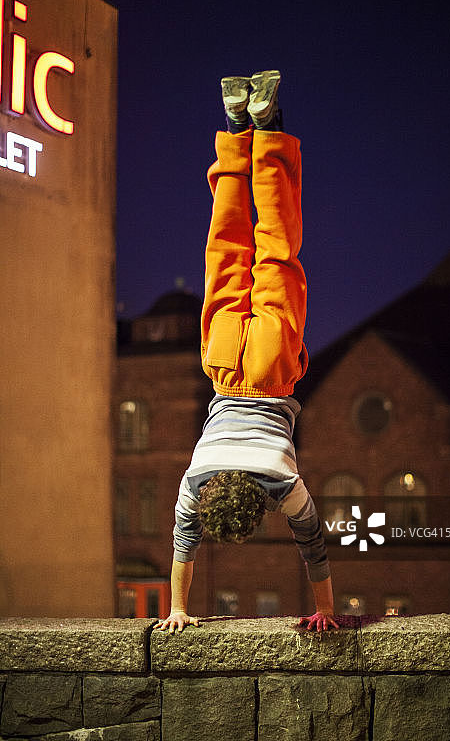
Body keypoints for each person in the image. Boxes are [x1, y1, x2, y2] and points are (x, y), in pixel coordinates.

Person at [155, 70, 338, 634]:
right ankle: (234, 125)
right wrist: (178, 610)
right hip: (223, 361)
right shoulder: (196, 480)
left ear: (256, 505)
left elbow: (316, 548)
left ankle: (268, 125)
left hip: (271, 367)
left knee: (277, 249)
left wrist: (326, 612)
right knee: (226, 247)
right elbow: (182, 552)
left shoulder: (280, 480)